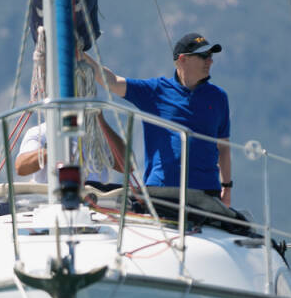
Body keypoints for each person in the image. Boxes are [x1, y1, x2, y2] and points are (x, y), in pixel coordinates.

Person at [83, 32, 232, 206]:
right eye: (204, 56)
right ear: (183, 59)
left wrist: (227, 187)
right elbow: (113, 81)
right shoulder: (156, 91)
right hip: (162, 191)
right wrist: (79, 54)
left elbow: (223, 147)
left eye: (211, 56)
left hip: (207, 192)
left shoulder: (219, 97)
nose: (210, 61)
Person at [15, 113, 127, 186]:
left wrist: (100, 121)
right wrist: (52, 151)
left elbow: (128, 166)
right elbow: (21, 167)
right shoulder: (40, 132)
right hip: (50, 202)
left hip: (98, 201)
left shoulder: (98, 134)